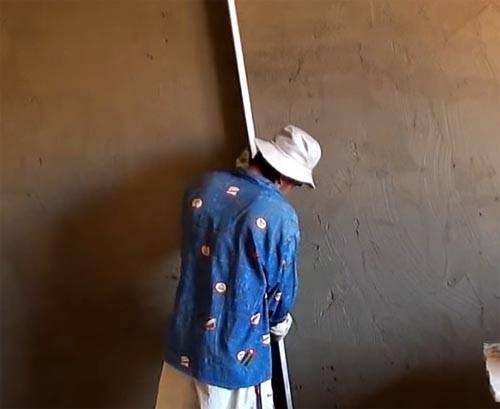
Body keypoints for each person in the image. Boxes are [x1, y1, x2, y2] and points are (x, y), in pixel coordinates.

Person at [156, 125, 322, 409]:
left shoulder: (202, 186)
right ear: (285, 177)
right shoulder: (279, 215)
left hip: (182, 347)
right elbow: (279, 296)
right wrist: (280, 324)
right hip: (235, 363)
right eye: (295, 184)